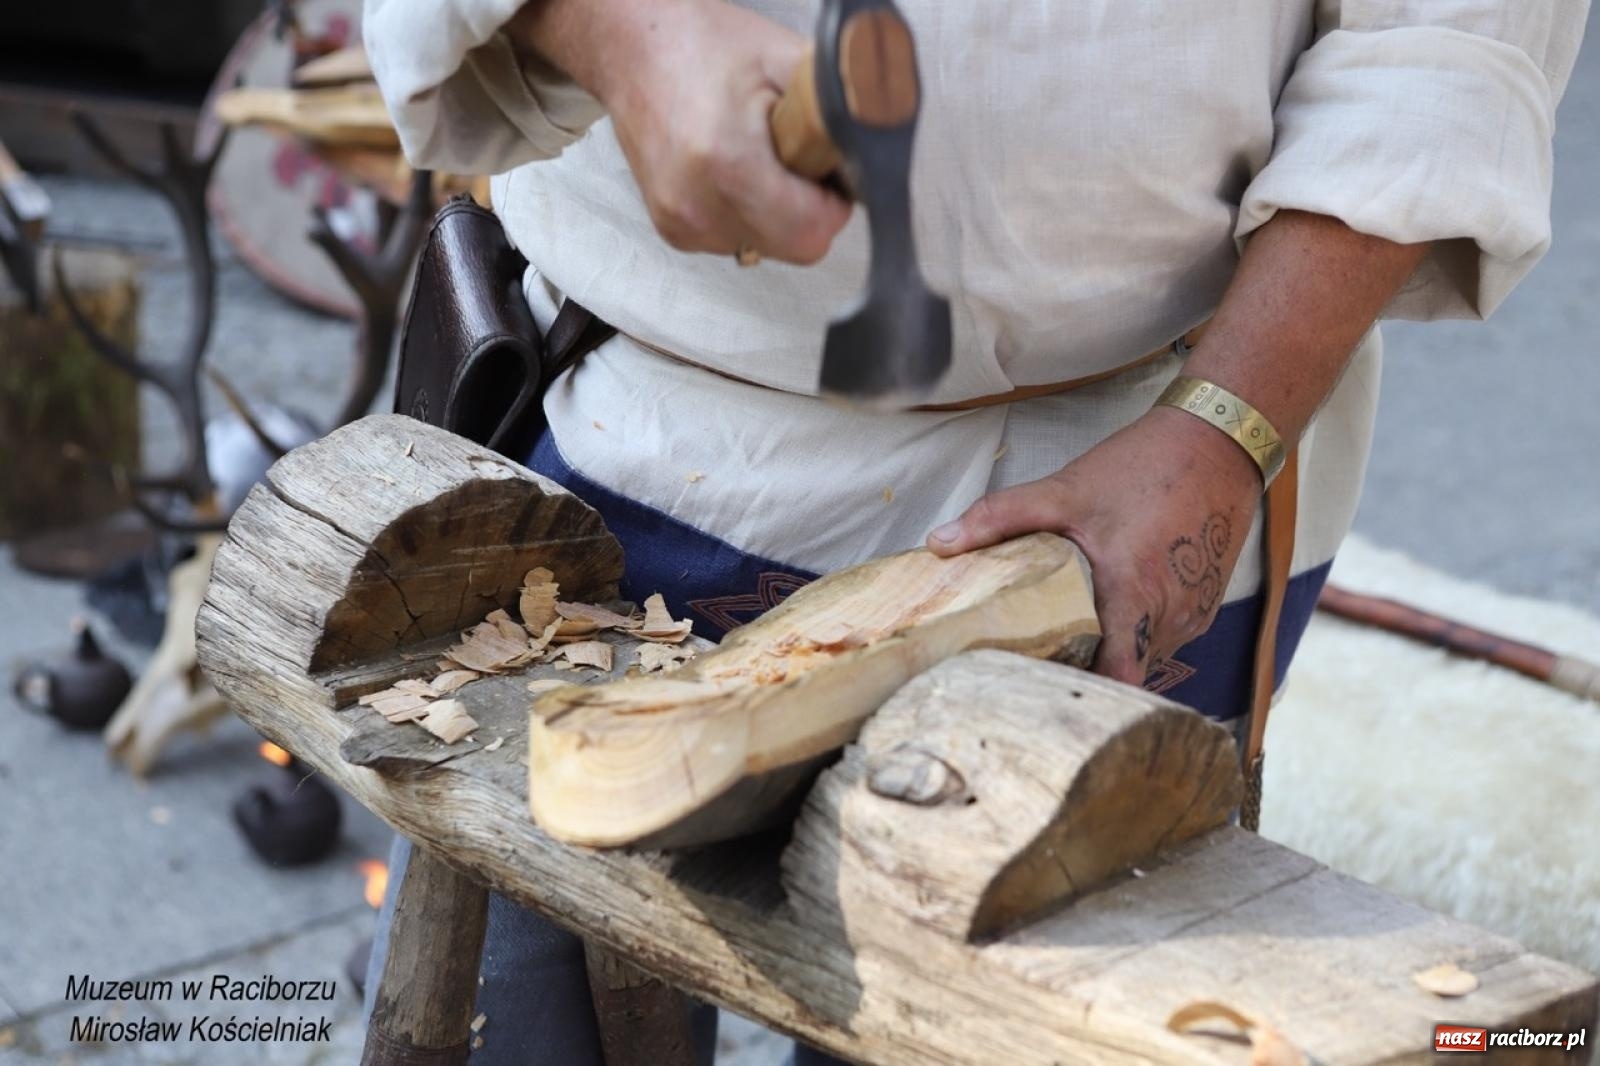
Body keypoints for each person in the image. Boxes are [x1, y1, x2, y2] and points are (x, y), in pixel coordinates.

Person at [362, 0, 1586, 1061]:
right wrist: (616, 29)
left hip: (1156, 458)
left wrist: (1222, 428)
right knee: (524, 1012)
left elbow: (1443, 38)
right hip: (632, 417)